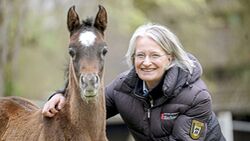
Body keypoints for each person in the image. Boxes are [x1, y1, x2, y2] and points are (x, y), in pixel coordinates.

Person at [42, 23, 225, 141]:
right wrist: (60, 95)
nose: (146, 62)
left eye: (154, 55)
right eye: (140, 55)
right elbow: (87, 109)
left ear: (169, 59)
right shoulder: (123, 88)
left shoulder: (197, 97)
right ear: (132, 58)